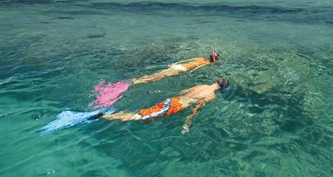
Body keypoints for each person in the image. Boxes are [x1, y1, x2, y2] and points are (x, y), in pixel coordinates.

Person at [92, 51, 222, 108]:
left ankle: (133, 80)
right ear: (214, 61)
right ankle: (131, 82)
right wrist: (187, 76)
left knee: (155, 76)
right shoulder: (206, 63)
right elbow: (194, 69)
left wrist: (174, 63)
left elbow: (187, 60)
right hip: (180, 70)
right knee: (153, 79)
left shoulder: (201, 58)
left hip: (178, 65)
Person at [102, 78, 230, 134]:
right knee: (141, 117)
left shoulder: (201, 85)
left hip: (171, 100)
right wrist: (187, 123)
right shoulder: (211, 96)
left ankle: (113, 115)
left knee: (147, 116)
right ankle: (105, 116)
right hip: (174, 107)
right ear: (222, 88)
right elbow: (196, 109)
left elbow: (182, 92)